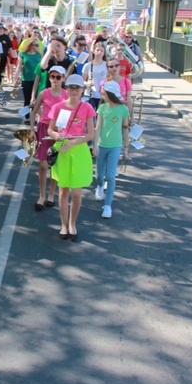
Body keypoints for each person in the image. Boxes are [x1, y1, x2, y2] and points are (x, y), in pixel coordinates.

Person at [47, 74, 96, 241]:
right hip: (62, 149)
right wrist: (57, 136)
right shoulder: (58, 107)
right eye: (71, 87)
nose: (74, 91)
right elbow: (50, 130)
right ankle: (63, 224)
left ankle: (73, 223)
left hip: (78, 150)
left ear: (82, 90)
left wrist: (73, 142)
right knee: (63, 191)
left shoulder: (87, 108)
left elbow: (90, 134)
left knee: (76, 192)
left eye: (77, 88)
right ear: (66, 89)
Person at [29, 66, 67, 211]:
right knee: (43, 164)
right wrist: (32, 129)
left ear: (63, 78)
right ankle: (42, 195)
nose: (55, 80)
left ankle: (51, 194)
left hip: (59, 130)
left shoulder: (66, 94)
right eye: (52, 77)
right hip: (44, 128)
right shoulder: (43, 93)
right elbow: (34, 112)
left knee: (55, 163)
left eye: (58, 77)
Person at [93, 81, 131, 219]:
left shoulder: (123, 109)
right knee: (99, 175)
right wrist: (95, 145)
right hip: (102, 145)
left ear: (110, 94)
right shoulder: (102, 108)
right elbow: (97, 127)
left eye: (103, 94)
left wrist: (126, 148)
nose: (101, 96)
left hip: (115, 146)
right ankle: (99, 186)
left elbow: (125, 129)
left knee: (110, 176)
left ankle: (108, 205)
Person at [81, 43, 107, 109]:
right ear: (94, 51)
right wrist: (87, 83)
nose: (99, 52)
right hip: (90, 94)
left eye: (102, 51)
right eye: (98, 50)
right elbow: (82, 80)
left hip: (102, 95)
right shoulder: (88, 65)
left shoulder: (106, 65)